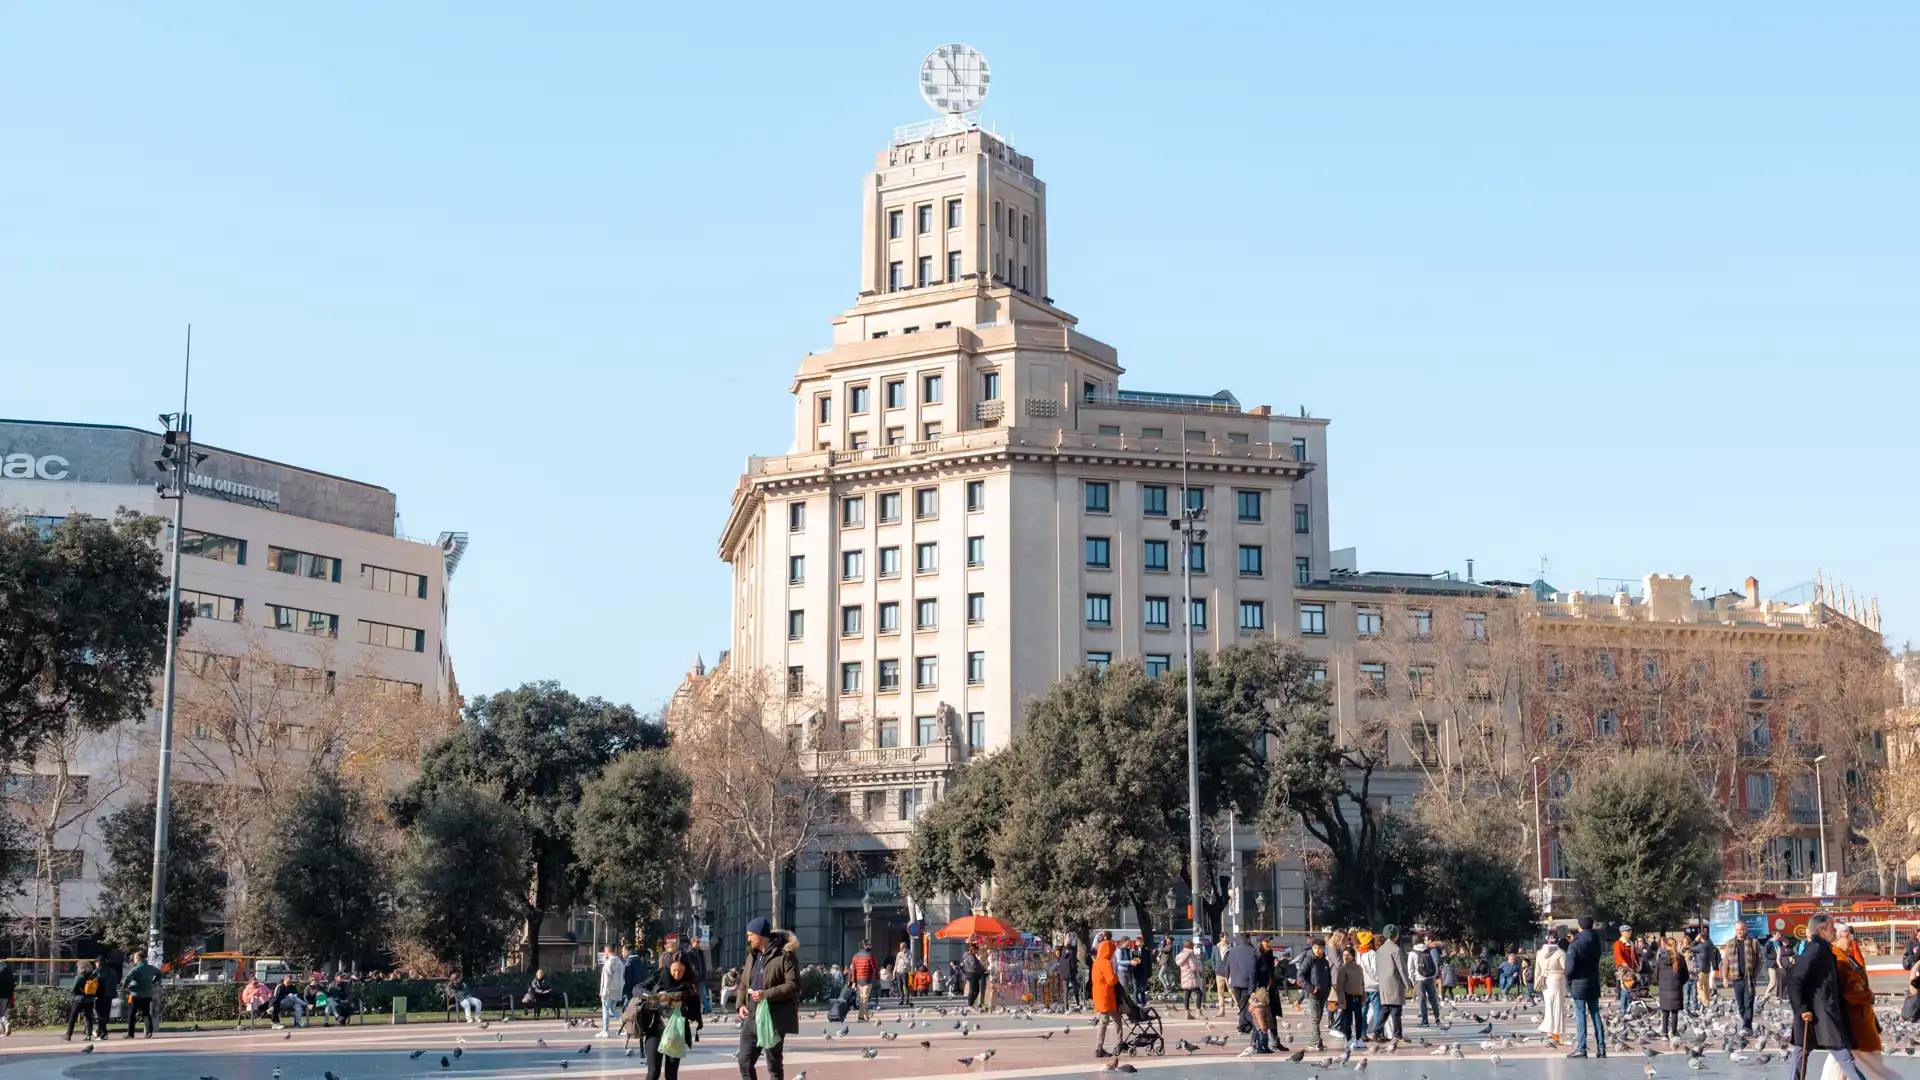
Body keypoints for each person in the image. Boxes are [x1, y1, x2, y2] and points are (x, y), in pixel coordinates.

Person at [1785, 914, 1870, 1080]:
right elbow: (1793, 978)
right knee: (1841, 1054)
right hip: (1819, 1013)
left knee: (1802, 1051)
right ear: (1821, 929)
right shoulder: (1816, 948)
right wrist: (1802, 1008)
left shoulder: (1823, 948)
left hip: (1820, 1010)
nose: (1834, 930)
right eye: (1831, 927)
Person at [1822, 925, 1899, 1080]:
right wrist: (1868, 995)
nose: (1851, 940)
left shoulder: (1845, 957)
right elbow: (1852, 991)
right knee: (1873, 1065)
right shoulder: (1840, 960)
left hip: (1855, 1022)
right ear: (1836, 939)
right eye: (1847, 936)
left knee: (1839, 1062)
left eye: (1851, 936)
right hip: (1856, 1022)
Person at [736, 917, 798, 1080]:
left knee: (773, 1065)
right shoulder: (752, 956)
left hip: (773, 1018)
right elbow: (743, 982)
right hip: (751, 1017)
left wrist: (766, 994)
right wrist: (741, 1004)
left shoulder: (785, 955)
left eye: (751, 935)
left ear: (761, 935)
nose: (748, 939)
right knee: (744, 1061)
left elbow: (793, 985)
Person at [641, 952, 702, 1080]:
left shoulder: (688, 985)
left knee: (671, 1075)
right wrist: (653, 996)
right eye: (674, 971)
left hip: (676, 1033)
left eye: (680, 972)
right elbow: (637, 989)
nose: (677, 975)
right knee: (653, 1073)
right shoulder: (658, 977)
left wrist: (685, 1002)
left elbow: (693, 1013)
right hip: (655, 1030)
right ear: (669, 967)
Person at [1565, 916, 1607, 1058]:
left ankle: (1582, 1048)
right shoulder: (1596, 941)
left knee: (1580, 1015)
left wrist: (1568, 978)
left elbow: (1570, 968)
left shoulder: (1575, 944)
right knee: (1595, 1014)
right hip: (1593, 981)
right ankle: (1601, 1047)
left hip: (1578, 982)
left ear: (1580, 927)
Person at [1720, 920, 1764, 1035]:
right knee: (1740, 1004)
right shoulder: (1730, 943)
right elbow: (1726, 962)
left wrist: (1755, 974)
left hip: (1749, 978)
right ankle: (1744, 1023)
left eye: (1741, 929)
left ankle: (1747, 1026)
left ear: (1746, 929)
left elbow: (1760, 960)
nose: (1739, 932)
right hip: (1736, 978)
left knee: (1748, 1003)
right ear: (1735, 931)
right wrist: (1724, 977)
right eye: (1737, 930)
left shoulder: (1753, 942)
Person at [1371, 924, 1412, 1043]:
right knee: (1396, 1010)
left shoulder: (1380, 950)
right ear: (1396, 935)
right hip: (1394, 982)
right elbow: (1401, 968)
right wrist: (1407, 983)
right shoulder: (1396, 950)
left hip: (1383, 983)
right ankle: (1397, 1034)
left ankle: (1377, 1031)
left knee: (1385, 1008)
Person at [1300, 939, 1333, 1051]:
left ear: (1323, 949)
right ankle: (1315, 1042)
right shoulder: (1309, 960)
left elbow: (1328, 977)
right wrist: (1310, 988)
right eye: (1315, 948)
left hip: (1323, 993)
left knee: (1318, 1018)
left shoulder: (1325, 962)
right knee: (1315, 1018)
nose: (1317, 950)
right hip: (1313, 994)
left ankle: (1316, 1040)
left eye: (1320, 948)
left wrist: (1328, 989)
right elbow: (1300, 975)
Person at [1654, 936, 1689, 1040]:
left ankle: (1664, 1033)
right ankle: (1673, 1033)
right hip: (1676, 988)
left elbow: (1656, 974)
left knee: (1664, 1011)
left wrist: (1660, 983)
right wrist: (1679, 983)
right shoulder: (1680, 958)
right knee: (1674, 1012)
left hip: (1664, 988)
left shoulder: (1661, 958)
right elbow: (1686, 975)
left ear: (1666, 945)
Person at [1536, 934, 1568, 1042]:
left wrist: (1537, 983)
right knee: (1558, 1006)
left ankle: (1549, 1030)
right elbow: (1567, 969)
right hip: (1557, 980)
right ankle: (1556, 1031)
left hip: (1545, 981)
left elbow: (1537, 970)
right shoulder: (1560, 953)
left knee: (1549, 1006)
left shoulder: (1540, 953)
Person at [1091, 938, 1120, 1057]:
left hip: (1099, 993)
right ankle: (1100, 1047)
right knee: (1106, 1020)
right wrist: (1116, 977)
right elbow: (1111, 980)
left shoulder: (1097, 962)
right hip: (1106, 995)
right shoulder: (1106, 963)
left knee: (1114, 1018)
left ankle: (1119, 1042)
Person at [123, 951, 160, 1039]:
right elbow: (159, 973)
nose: (134, 960)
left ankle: (130, 1033)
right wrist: (153, 981)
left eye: (135, 958)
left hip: (135, 994)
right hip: (147, 994)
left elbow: (127, 978)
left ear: (138, 959)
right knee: (146, 1013)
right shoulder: (151, 968)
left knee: (132, 1014)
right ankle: (148, 1032)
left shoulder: (136, 968)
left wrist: (125, 986)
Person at [1334, 946, 1365, 1043]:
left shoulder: (1359, 968)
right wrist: (1342, 1001)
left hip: (1358, 997)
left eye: (1348, 955)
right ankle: (1348, 1039)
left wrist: (1363, 997)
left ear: (1353, 956)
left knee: (1359, 1019)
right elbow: (1340, 986)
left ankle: (1359, 1038)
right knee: (1347, 1020)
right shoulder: (1342, 969)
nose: (1345, 957)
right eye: (1344, 955)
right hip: (1347, 997)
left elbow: (1362, 983)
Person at [64, 959, 99, 1041]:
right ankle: (88, 1035)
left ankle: (68, 1034)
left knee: (73, 1017)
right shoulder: (92, 976)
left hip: (79, 999)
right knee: (89, 1018)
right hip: (90, 999)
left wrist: (73, 996)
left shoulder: (79, 977)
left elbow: (73, 989)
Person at [1225, 933, 1258, 1018]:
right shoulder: (1253, 950)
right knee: (1244, 1003)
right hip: (1247, 981)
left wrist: (1227, 977)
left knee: (1240, 1002)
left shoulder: (1232, 951)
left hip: (1235, 981)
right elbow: (1254, 968)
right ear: (1248, 939)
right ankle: (1244, 1022)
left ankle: (1243, 1020)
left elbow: (1227, 966)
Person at [1409, 939, 1441, 1026]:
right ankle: (1437, 1019)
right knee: (1433, 998)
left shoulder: (1412, 953)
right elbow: (1434, 964)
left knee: (1422, 999)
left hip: (1419, 979)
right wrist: (1435, 975)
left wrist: (1412, 980)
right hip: (1430, 977)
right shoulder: (1428, 950)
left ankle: (1425, 1020)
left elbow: (1410, 969)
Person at [92, 949, 122, 1040]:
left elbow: (91, 982)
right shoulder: (112, 972)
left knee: (99, 1015)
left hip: (99, 996)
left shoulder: (97, 972)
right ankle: (101, 1032)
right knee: (105, 1014)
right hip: (109, 995)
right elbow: (115, 982)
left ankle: (103, 1033)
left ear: (98, 962)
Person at [1687, 928, 1718, 1013]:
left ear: (1700, 937)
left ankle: (1704, 1002)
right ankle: (1707, 1001)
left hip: (1701, 968)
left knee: (1699, 985)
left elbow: (1691, 947)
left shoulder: (1701, 946)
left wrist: (1695, 940)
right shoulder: (1709, 944)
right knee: (1706, 985)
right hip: (1707, 968)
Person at [1611, 925, 1638, 1017]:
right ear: (1622, 932)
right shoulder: (1618, 943)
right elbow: (1618, 956)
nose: (1629, 933)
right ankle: (1624, 1010)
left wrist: (1637, 966)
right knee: (1625, 990)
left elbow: (1635, 957)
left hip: (1631, 969)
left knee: (1629, 990)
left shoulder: (1631, 943)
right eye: (1627, 931)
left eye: (1630, 931)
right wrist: (1624, 964)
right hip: (1624, 970)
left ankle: (1627, 1009)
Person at [848, 940, 877, 1021]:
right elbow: (874, 968)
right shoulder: (869, 956)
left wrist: (853, 981)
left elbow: (853, 969)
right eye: (869, 945)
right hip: (867, 979)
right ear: (865, 946)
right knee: (864, 998)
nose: (871, 946)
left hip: (859, 980)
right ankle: (861, 1016)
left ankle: (866, 1015)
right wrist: (878, 977)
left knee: (862, 998)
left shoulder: (855, 956)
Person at [1176, 938, 1205, 1018]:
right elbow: (1193, 967)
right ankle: (1199, 1013)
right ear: (1191, 946)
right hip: (1191, 977)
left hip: (1184, 977)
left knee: (1187, 994)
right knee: (1199, 993)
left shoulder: (1181, 954)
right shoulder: (1190, 953)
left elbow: (1179, 964)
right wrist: (1200, 970)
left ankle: (1187, 1013)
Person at [1058, 935, 1082, 1009]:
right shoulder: (1068, 950)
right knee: (1071, 988)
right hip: (1068, 972)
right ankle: (1072, 1005)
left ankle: (1070, 1005)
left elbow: (1062, 960)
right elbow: (1068, 958)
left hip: (1067, 972)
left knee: (1070, 988)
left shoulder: (1066, 949)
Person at [1213, 934, 1232, 1016]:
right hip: (1219, 973)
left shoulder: (1231, 948)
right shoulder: (1215, 948)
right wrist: (1215, 968)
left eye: (1228, 937)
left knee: (1232, 990)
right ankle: (1221, 1010)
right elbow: (1213, 959)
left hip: (1228, 973)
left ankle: (1240, 1008)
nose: (1227, 939)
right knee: (1220, 992)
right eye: (1226, 937)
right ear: (1221, 938)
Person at [893, 943, 913, 1007]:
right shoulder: (898, 954)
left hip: (904, 971)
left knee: (905, 986)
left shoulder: (909, 953)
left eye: (901, 947)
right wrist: (894, 971)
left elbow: (907, 962)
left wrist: (904, 955)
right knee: (899, 986)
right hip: (898, 971)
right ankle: (901, 999)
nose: (900, 948)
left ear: (905, 947)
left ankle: (906, 1000)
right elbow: (896, 963)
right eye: (900, 947)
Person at [0, 958, 15, 1036]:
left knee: (0, 1014)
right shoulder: (9, 974)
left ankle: (6, 1024)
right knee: (1, 1012)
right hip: (6, 995)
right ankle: (2, 1028)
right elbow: (12, 985)